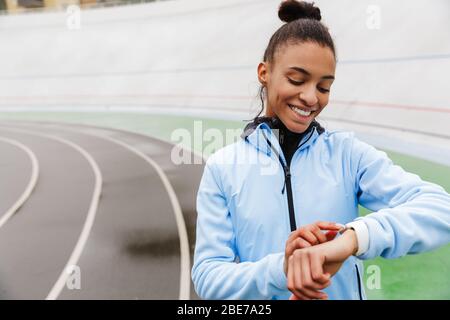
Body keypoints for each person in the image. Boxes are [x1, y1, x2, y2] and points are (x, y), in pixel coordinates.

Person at [191, 0, 450, 300]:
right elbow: (209, 277)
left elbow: (440, 208)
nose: (311, 98)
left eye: (324, 87)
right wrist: (284, 269)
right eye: (296, 80)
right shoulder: (223, 167)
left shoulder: (348, 154)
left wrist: (351, 240)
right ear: (264, 72)